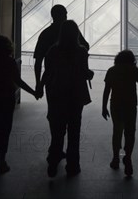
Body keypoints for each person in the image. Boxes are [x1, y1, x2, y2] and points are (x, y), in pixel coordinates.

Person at [39, 20, 94, 177]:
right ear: (77, 33)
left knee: (58, 130)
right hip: (76, 95)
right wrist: (90, 74)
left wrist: (40, 87)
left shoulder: (53, 51)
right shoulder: (81, 51)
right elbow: (84, 72)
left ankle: (53, 160)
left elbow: (47, 72)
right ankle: (73, 165)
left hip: (57, 94)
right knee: (74, 131)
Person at [0, 35, 37, 174]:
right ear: (8, 48)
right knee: (5, 129)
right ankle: (2, 162)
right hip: (6, 99)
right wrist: (33, 92)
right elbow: (18, 81)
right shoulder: (10, 63)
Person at [102, 49, 138, 176]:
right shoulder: (134, 70)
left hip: (116, 104)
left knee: (117, 131)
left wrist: (104, 107)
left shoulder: (112, 71)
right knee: (130, 132)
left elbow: (107, 90)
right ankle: (128, 157)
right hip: (130, 105)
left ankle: (115, 158)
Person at [34, 4, 89, 90]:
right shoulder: (72, 30)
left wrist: (39, 83)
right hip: (75, 81)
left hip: (53, 81)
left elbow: (38, 61)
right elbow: (86, 46)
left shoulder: (46, 34)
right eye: (65, 14)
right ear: (63, 15)